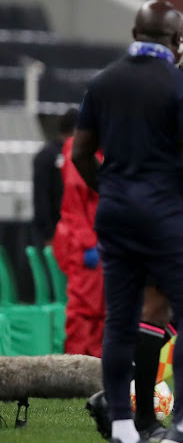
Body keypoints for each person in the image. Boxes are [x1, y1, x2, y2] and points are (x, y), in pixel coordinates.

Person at [71, 0, 183, 443]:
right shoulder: (181, 87)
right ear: (179, 42)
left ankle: (123, 432)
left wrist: (111, 189)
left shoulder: (102, 82)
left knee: (119, 320)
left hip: (116, 214)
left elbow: (80, 153)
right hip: (166, 213)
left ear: (136, 33)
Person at [51, 118, 104, 357]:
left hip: (99, 241)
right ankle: (76, 364)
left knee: (102, 308)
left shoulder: (104, 145)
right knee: (84, 307)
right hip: (84, 244)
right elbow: (74, 204)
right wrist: (87, 243)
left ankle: (96, 366)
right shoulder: (81, 147)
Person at [32, 108, 77, 247]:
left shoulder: (79, 156)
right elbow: (41, 197)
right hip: (55, 233)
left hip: (73, 232)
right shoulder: (47, 156)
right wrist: (49, 234)